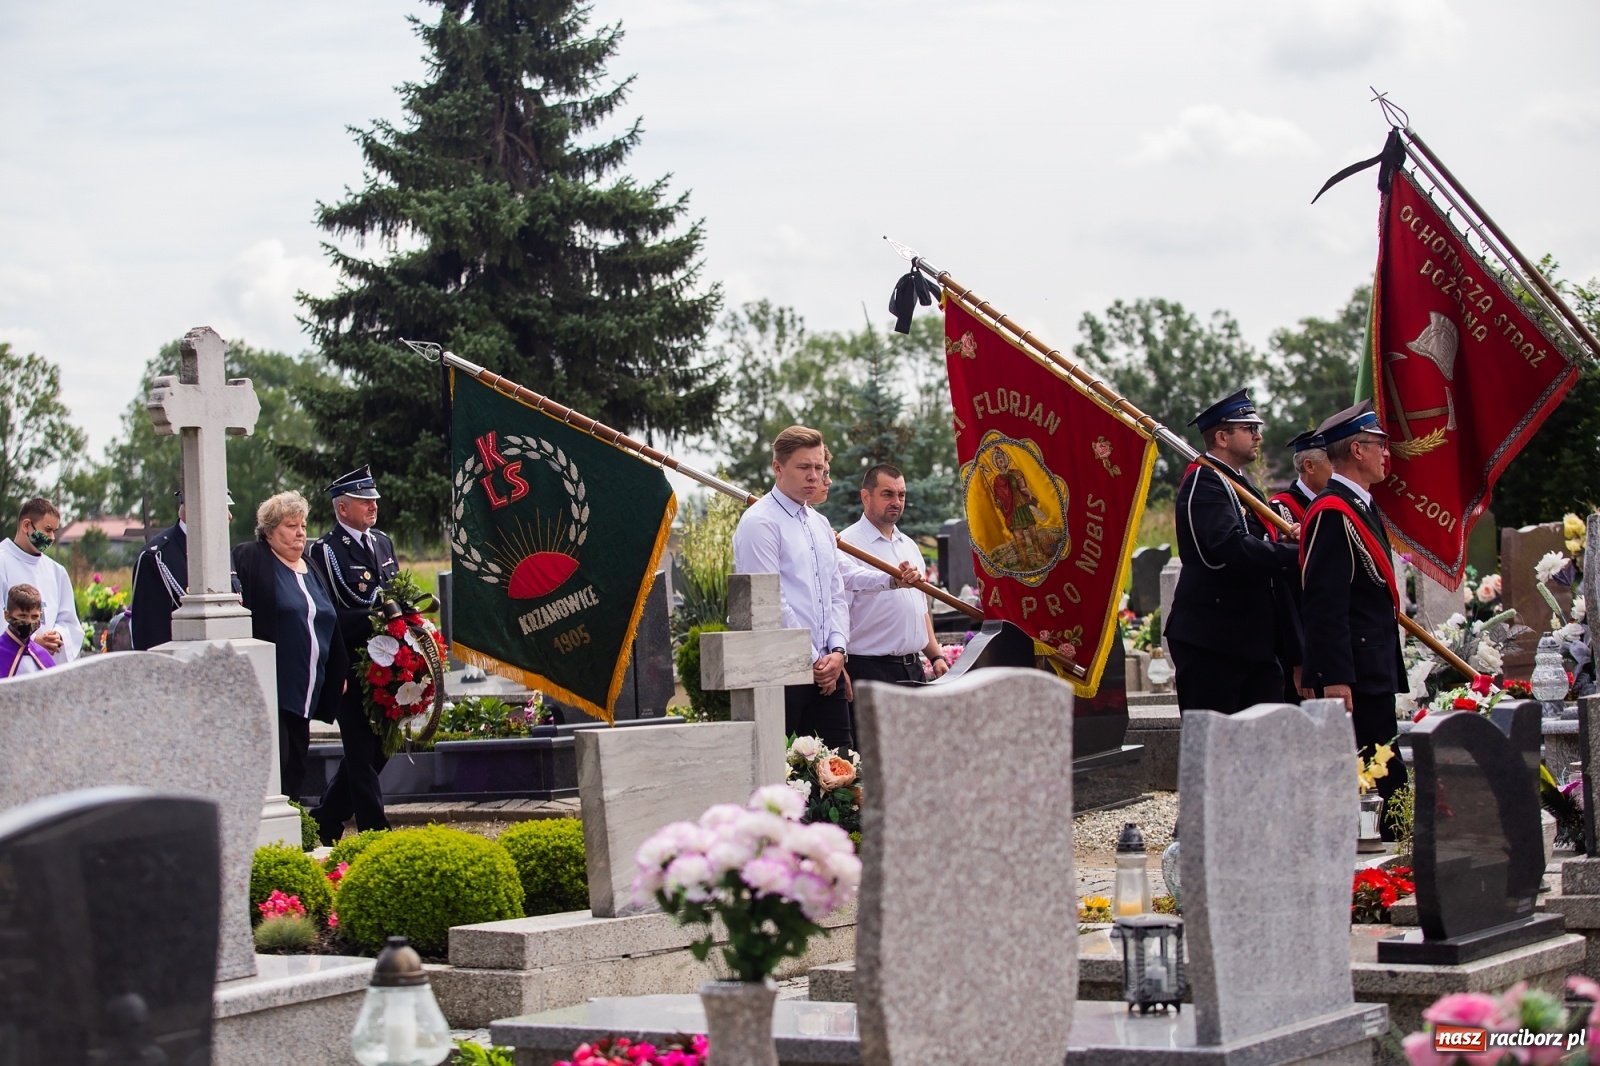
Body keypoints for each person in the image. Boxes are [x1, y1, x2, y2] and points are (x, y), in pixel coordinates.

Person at [1300, 401, 1408, 822]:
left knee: (1381, 753)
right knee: (1378, 757)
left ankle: (1399, 833)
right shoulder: (1333, 512)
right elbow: (1325, 603)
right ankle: (1401, 834)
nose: (1387, 453)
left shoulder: (1361, 505)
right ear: (1357, 450)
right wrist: (1337, 677)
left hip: (1372, 657)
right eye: (1379, 444)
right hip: (1356, 665)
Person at [1166, 391, 1301, 715]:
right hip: (1214, 640)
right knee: (1215, 747)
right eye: (1248, 428)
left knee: (1264, 742)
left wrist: (1283, 541)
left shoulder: (1237, 483)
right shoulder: (1205, 480)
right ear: (1222, 437)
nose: (1258, 435)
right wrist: (1294, 556)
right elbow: (1226, 548)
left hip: (1250, 639)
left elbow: (1249, 538)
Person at [732, 426, 854, 751]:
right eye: (804, 467)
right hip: (784, 672)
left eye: (819, 468)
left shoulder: (820, 524)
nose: (814, 476)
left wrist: (838, 652)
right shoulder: (761, 523)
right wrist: (815, 660)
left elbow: (835, 594)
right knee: (785, 779)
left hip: (828, 667)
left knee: (842, 777)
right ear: (777, 467)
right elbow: (771, 601)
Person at [233, 491, 348, 803]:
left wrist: (339, 670)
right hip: (272, 687)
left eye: (303, 525)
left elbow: (329, 619)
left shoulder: (311, 566)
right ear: (269, 531)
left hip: (306, 688)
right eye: (290, 525)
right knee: (280, 763)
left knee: (297, 763)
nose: (300, 532)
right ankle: (274, 834)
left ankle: (292, 830)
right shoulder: (250, 558)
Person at [308, 465, 400, 843]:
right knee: (361, 753)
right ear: (342, 508)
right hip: (354, 663)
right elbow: (329, 613)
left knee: (382, 749)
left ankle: (326, 818)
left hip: (392, 663)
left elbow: (398, 596)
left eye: (373, 500)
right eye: (364, 501)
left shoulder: (382, 542)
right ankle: (375, 835)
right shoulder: (325, 551)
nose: (372, 506)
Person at [839, 465, 944, 696]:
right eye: (888, 494)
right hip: (868, 670)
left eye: (902, 494)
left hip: (913, 670)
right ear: (865, 497)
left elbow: (920, 610)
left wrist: (936, 655)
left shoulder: (909, 546)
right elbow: (836, 613)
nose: (896, 501)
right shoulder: (846, 545)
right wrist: (839, 667)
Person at [130, 489, 240, 650]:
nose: (229, 516)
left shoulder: (221, 549)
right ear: (196, 510)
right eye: (221, 509)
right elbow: (150, 636)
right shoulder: (157, 557)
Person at [1267, 430, 1332, 703]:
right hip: (1301, 642)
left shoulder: (1334, 504)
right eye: (1332, 462)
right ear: (1309, 466)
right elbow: (1283, 592)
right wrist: (1298, 657)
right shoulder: (1280, 510)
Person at [0, 499, 82, 663]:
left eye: (54, 531)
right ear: (26, 526)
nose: (51, 537)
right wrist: (33, 641)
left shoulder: (56, 571)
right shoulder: (2, 561)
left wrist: (57, 636)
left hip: (46, 665)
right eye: (47, 529)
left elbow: (69, 622)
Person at [0, 584, 55, 676]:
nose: (29, 622)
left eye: (34, 617)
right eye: (22, 616)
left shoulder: (42, 654)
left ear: (40, 617)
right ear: (7, 616)